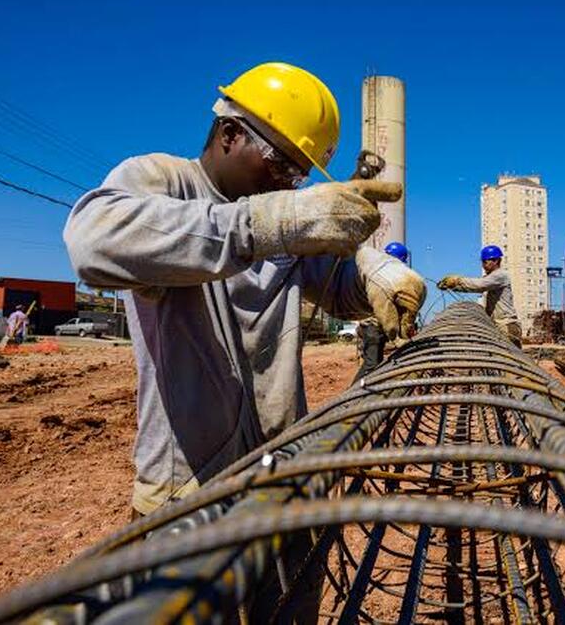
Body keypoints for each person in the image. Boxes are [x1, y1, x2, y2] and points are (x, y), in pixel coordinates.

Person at [64, 62, 426, 517]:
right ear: (230, 134)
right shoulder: (164, 181)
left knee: (288, 588)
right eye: (280, 164)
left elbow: (337, 285)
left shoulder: (280, 225)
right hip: (187, 492)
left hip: (279, 470)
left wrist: (376, 275)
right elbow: (93, 242)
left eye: (298, 176)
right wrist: (269, 223)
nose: (286, 183)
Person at [437, 245, 522, 347]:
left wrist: (457, 281)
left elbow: (479, 285)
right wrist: (453, 287)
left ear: (496, 261)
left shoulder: (500, 276)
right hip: (497, 324)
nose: (483, 265)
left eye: (485, 262)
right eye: (482, 262)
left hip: (506, 325)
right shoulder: (490, 278)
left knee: (509, 358)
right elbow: (477, 287)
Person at [351, 242, 412, 382]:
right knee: (371, 365)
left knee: (375, 362)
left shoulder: (377, 271)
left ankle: (364, 393)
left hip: (372, 326)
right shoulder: (388, 276)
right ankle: (351, 397)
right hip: (373, 327)